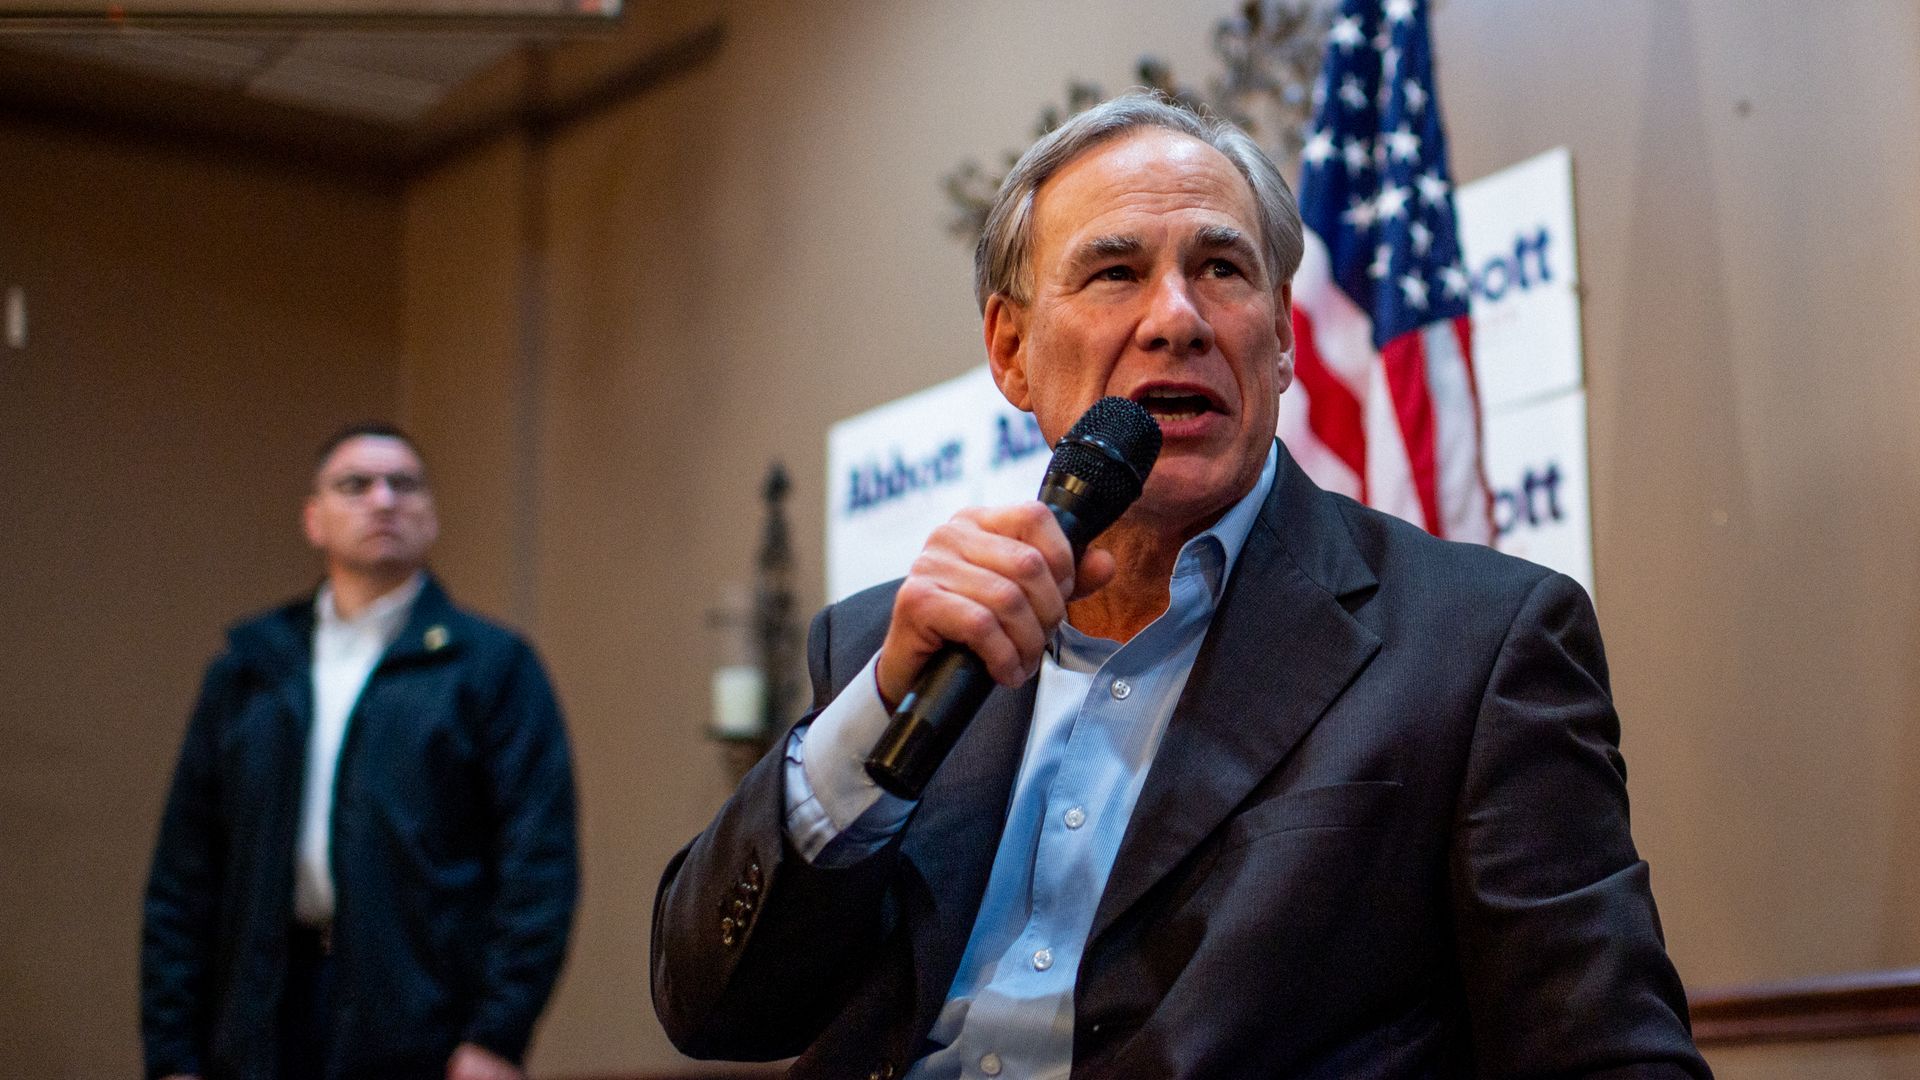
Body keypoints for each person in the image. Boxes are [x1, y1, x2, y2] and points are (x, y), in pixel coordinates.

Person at [651, 93, 1709, 1078]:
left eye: (1223, 269)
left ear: (1284, 338)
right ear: (1011, 351)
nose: (1178, 318)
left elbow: (1607, 1054)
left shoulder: (1479, 645)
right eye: (1115, 273)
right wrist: (870, 718)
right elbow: (710, 1009)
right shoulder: (888, 644)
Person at [142, 423, 579, 1080]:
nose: (382, 500)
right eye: (355, 485)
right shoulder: (251, 670)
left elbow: (538, 863)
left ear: (430, 517)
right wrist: (172, 1054)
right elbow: (185, 872)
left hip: (421, 1022)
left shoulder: (491, 667)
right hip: (261, 1015)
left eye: (403, 485)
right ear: (314, 519)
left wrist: (497, 1034)